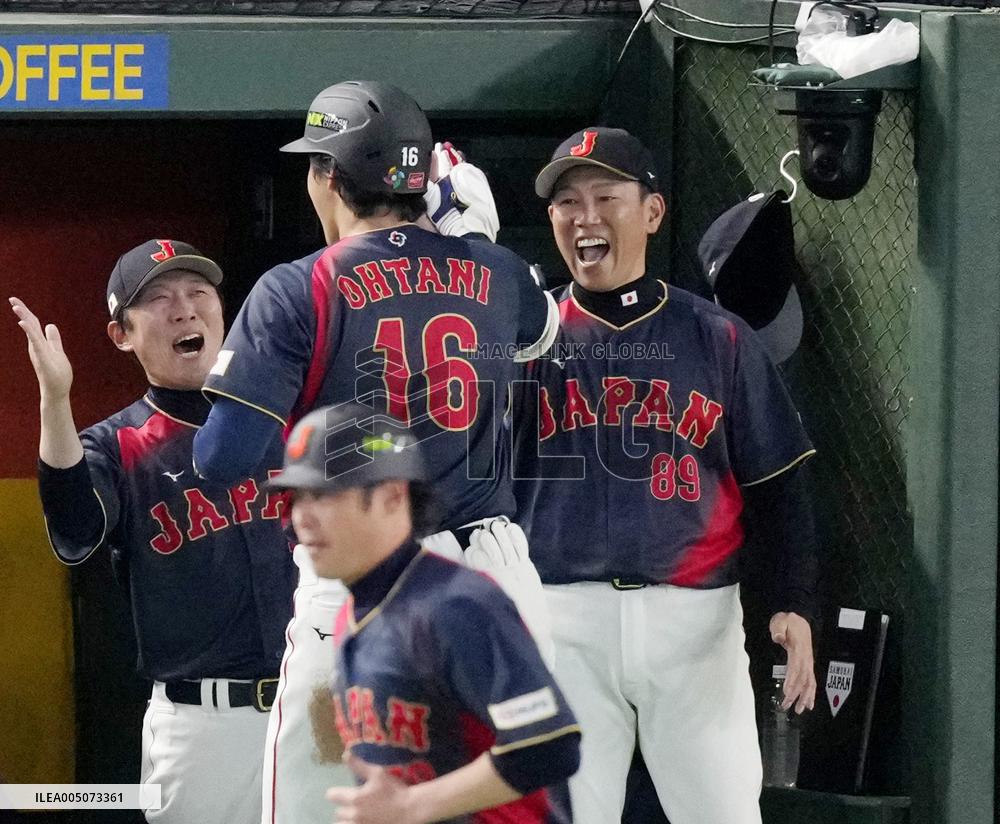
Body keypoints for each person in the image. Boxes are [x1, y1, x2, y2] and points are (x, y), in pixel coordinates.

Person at [190, 80, 559, 824]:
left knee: (324, 811)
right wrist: (470, 240)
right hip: (494, 584)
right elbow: (541, 331)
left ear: (329, 176)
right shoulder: (496, 272)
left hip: (362, 590)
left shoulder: (296, 289)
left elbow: (222, 458)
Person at [511, 127, 820, 824]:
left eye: (605, 197)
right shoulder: (524, 342)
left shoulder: (718, 338)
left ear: (652, 212)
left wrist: (794, 602)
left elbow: (781, 488)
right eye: (567, 202)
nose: (584, 216)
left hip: (695, 624)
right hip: (562, 619)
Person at [8, 239, 296, 824]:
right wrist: (55, 401)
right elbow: (76, 532)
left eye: (198, 292)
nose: (184, 310)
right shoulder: (117, 444)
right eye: (160, 299)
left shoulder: (289, 417)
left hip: (315, 701)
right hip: (204, 726)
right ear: (122, 334)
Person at [267, 401, 581, 823]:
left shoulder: (456, 606)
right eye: (298, 496)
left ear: (393, 497)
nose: (302, 517)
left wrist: (411, 806)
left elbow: (549, 746)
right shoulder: (353, 617)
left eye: (325, 495)